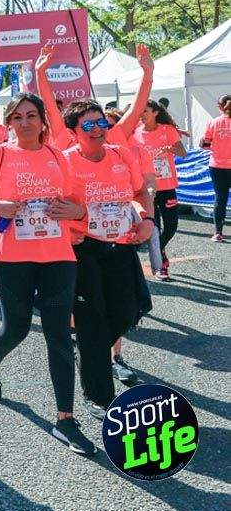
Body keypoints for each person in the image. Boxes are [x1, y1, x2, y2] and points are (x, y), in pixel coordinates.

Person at [0, 93, 96, 456]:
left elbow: (77, 203)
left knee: (59, 334)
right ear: (9, 124)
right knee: (15, 328)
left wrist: (72, 209)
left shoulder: (57, 157)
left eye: (31, 116)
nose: (25, 123)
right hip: (12, 257)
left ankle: (65, 418)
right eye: (17, 118)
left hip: (58, 256)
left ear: (42, 121)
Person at [58, 99, 154, 419]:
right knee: (91, 319)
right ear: (73, 132)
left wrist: (147, 219)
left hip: (120, 245)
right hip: (82, 248)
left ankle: (90, 353)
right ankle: (99, 397)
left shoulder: (121, 155)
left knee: (129, 309)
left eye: (101, 122)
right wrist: (68, 225)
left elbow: (140, 194)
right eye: (88, 125)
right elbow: (47, 205)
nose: (98, 129)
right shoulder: (64, 161)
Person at [133, 100, 186, 279]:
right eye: (140, 111)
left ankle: (159, 247)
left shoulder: (167, 130)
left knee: (171, 226)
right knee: (154, 227)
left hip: (167, 186)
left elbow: (182, 152)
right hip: (148, 189)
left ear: (155, 112)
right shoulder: (136, 132)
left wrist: (170, 149)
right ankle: (161, 264)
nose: (141, 114)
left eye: (145, 110)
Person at [201, 94, 231, 242]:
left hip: (218, 166)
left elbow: (205, 145)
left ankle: (218, 232)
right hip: (221, 165)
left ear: (220, 107)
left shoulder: (213, 123)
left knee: (220, 198)